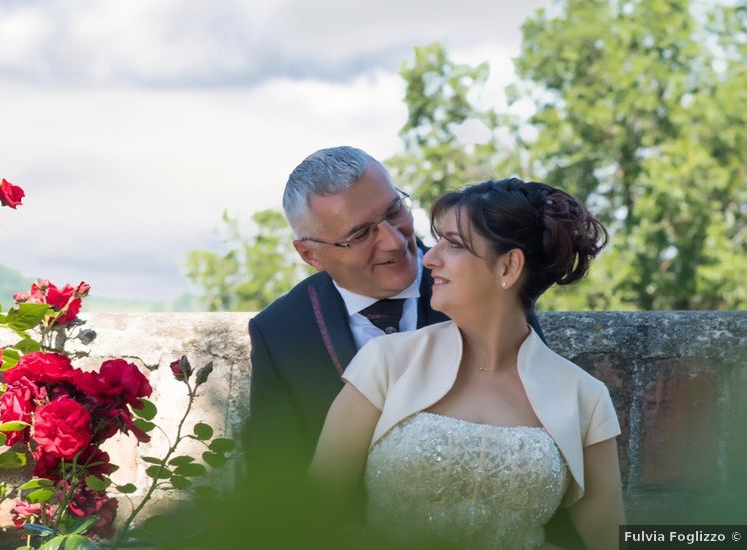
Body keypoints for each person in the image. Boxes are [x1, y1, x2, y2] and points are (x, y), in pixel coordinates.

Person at [308, 178, 624, 549]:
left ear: (508, 267)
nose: (430, 258)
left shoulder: (585, 397)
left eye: (454, 244)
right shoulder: (385, 363)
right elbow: (313, 515)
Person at [244, 147, 542, 477]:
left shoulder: (489, 285)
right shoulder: (279, 332)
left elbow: (543, 416)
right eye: (359, 234)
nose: (392, 241)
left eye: (394, 210)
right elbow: (274, 479)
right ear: (310, 254)